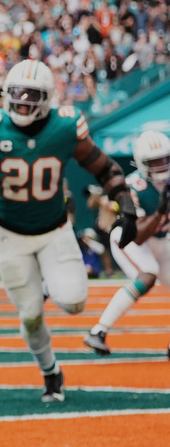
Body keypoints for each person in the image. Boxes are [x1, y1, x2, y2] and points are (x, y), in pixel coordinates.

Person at [0, 59, 138, 402]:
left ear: (48, 98)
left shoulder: (64, 127)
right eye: (17, 94)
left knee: (74, 301)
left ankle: (47, 285)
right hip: (8, 233)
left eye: (31, 96)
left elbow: (102, 166)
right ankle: (51, 372)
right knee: (31, 316)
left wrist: (123, 200)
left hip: (54, 229)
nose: (22, 102)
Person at [84, 130, 170, 355]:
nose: (161, 167)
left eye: (165, 160)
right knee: (148, 273)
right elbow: (138, 234)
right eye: (155, 162)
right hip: (129, 237)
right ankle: (98, 331)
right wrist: (161, 210)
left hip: (160, 240)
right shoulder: (134, 185)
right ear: (142, 163)